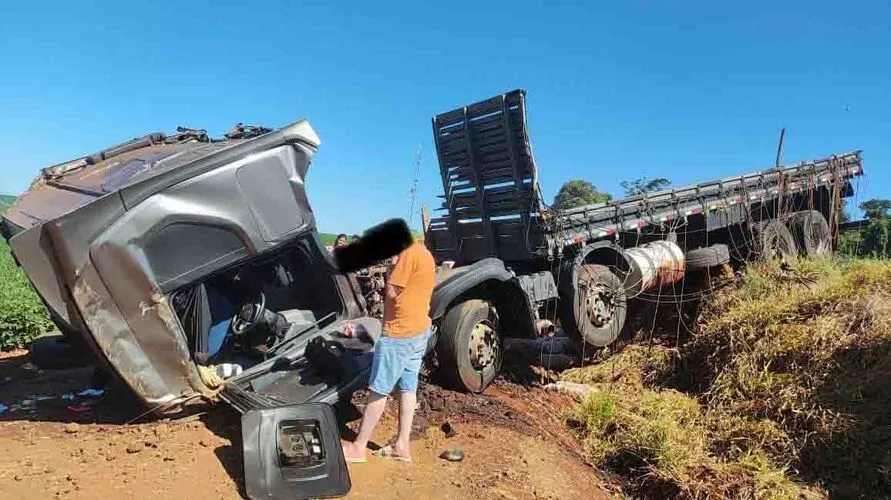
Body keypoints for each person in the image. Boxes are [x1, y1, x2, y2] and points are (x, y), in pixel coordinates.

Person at [341, 238, 436, 463]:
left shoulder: (406, 254)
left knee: (379, 389)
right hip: (420, 328)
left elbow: (392, 293)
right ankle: (402, 445)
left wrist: (392, 267)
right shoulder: (426, 255)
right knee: (407, 387)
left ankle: (358, 448)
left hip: (400, 332)